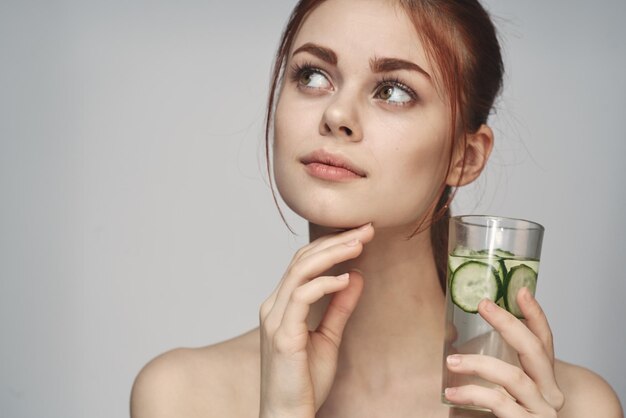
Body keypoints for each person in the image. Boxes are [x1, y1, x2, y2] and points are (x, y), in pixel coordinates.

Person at [130, 0, 623, 417]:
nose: (337, 115)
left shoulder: (576, 406)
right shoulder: (182, 396)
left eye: (393, 91)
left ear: (464, 157)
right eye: (313, 75)